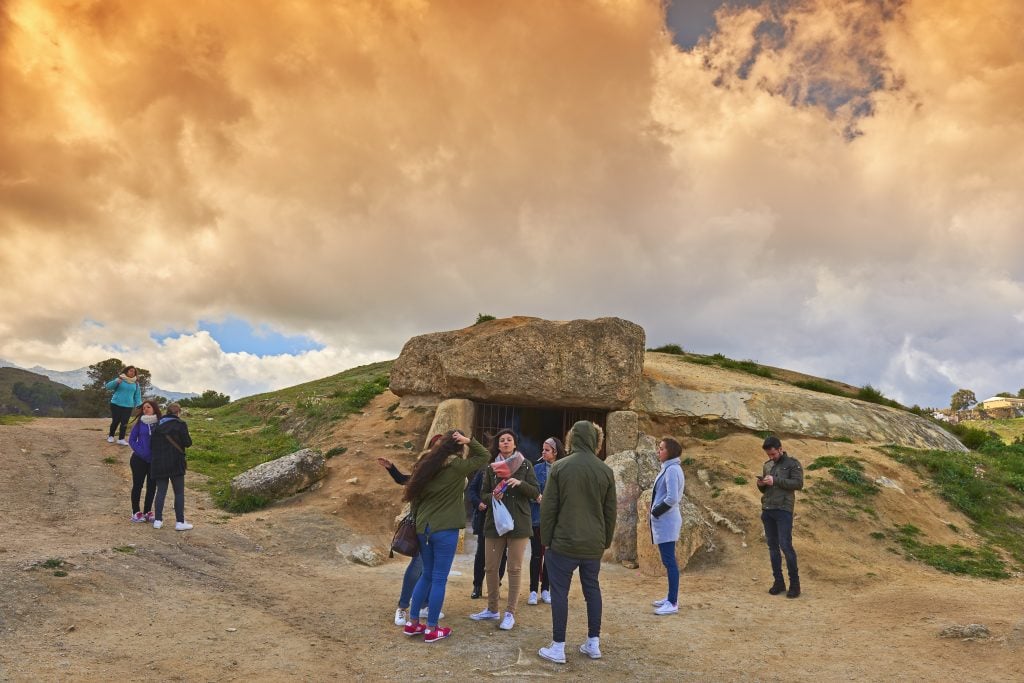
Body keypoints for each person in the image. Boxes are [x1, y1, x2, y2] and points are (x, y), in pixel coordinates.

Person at [537, 421, 616, 665]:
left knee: (559, 592)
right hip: (592, 543)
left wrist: (546, 540)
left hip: (563, 542)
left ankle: (558, 646)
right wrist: (605, 540)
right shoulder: (605, 470)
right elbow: (610, 511)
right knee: (592, 590)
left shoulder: (560, 467)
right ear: (595, 440)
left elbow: (549, 508)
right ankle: (593, 642)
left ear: (572, 438)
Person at [403, 431, 489, 643]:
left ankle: (413, 623)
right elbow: (484, 457)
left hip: (425, 528)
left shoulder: (427, 467)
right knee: (439, 578)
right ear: (458, 446)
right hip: (445, 530)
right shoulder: (456, 466)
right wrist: (471, 441)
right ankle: (432, 628)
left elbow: (415, 501)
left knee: (427, 575)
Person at [470, 428, 539, 632]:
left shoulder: (526, 465)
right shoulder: (491, 468)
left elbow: (535, 492)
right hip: (495, 522)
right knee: (490, 567)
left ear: (515, 444)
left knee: (514, 568)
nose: (506, 443)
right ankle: (492, 608)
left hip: (519, 523)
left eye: (509, 440)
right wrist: (492, 495)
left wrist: (520, 483)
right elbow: (482, 494)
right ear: (498, 445)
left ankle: (510, 612)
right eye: (502, 440)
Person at [376, 433, 446, 626]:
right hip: (423, 524)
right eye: (436, 445)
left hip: (441, 526)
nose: (440, 448)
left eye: (443, 445)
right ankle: (402, 607)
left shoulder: (449, 470)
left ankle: (424, 605)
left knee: (433, 569)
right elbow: (406, 481)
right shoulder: (425, 466)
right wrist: (392, 469)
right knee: (418, 567)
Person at [756, 435, 804, 598]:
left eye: (773, 454)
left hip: (783, 509)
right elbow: (766, 490)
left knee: (786, 546)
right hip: (768, 509)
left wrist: (775, 480)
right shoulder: (767, 465)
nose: (771, 457)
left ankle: (795, 585)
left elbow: (798, 484)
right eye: (768, 455)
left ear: (780, 449)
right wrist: (761, 484)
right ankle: (779, 582)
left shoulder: (793, 464)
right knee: (773, 548)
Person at [649, 437, 685, 615]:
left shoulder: (672, 470)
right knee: (668, 560)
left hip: (667, 521)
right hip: (665, 521)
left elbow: (671, 498)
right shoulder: (670, 468)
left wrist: (655, 512)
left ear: (669, 451)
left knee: (670, 562)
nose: (658, 451)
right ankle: (670, 597)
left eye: (661, 448)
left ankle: (672, 602)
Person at [528, 436, 565, 605]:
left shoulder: (564, 469)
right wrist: (535, 496)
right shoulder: (536, 469)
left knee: (550, 556)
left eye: (547, 450)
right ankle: (533, 590)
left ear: (555, 452)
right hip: (537, 518)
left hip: (555, 520)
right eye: (542, 449)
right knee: (536, 555)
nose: (543, 452)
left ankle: (546, 589)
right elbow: (529, 491)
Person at [149, 402, 193, 531]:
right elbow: (187, 443)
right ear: (178, 412)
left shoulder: (156, 425)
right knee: (178, 492)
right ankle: (180, 522)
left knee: (161, 491)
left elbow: (152, 445)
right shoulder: (180, 424)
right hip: (176, 462)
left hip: (159, 462)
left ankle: (158, 520)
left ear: (167, 412)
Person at [468, 465, 506, 599]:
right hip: (484, 517)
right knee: (481, 554)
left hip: (502, 517)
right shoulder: (483, 470)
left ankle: (496, 586)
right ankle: (477, 586)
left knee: (502, 554)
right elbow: (472, 490)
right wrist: (478, 503)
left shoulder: (510, 470)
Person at [126, 399, 161, 523]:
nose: (145, 409)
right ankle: (136, 512)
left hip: (154, 461)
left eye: (148, 407)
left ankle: (147, 512)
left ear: (154, 409)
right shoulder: (139, 423)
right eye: (144, 408)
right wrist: (142, 452)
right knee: (138, 485)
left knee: (152, 487)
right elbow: (131, 440)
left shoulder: (160, 423)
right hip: (138, 460)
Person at [104, 366, 142, 445]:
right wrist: (116, 381)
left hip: (128, 406)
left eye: (134, 372)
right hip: (116, 404)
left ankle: (121, 439)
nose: (132, 373)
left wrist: (139, 405)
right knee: (116, 421)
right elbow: (108, 387)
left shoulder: (136, 384)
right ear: (126, 372)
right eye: (130, 371)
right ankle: (111, 436)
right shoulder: (120, 379)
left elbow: (137, 396)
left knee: (124, 422)